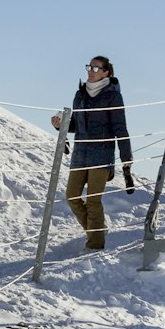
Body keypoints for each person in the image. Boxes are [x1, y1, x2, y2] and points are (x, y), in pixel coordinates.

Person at [48, 56, 132, 253]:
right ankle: (97, 232)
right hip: (80, 153)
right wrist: (61, 125)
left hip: (102, 154)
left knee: (93, 200)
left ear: (106, 72)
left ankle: (95, 246)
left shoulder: (113, 97)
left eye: (96, 67)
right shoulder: (80, 95)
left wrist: (126, 158)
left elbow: (120, 128)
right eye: (89, 67)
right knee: (71, 196)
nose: (91, 70)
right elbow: (77, 125)